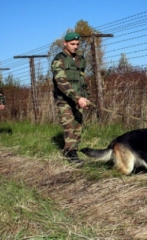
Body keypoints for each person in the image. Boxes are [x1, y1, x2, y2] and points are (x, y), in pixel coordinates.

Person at [51, 32, 90, 164]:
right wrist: (76, 97)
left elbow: (82, 80)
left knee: (78, 125)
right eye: (72, 44)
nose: (75, 47)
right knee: (69, 125)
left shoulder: (80, 59)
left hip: (79, 98)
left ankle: (74, 150)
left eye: (77, 44)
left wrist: (85, 97)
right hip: (64, 99)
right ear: (65, 43)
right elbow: (61, 81)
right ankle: (70, 153)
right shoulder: (59, 59)